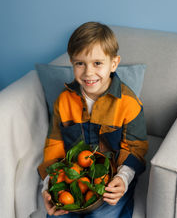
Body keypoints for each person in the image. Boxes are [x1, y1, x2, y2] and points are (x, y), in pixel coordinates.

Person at [38, 21, 148, 218]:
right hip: (74, 177)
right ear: (72, 63)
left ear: (113, 63)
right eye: (80, 63)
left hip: (111, 179)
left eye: (97, 63)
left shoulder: (129, 104)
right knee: (57, 214)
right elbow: (53, 146)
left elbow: (135, 148)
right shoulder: (63, 101)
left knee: (100, 216)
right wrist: (48, 185)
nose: (88, 72)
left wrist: (123, 178)